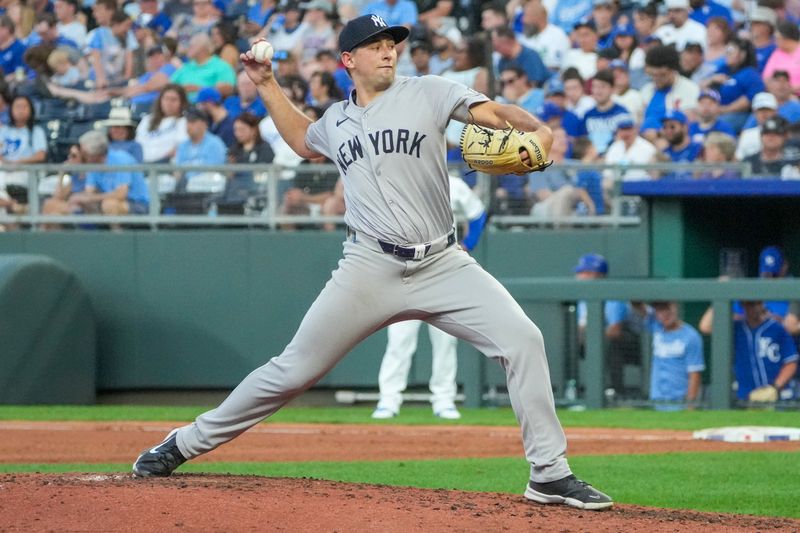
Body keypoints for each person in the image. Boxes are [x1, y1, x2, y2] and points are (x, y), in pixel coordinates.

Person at [132, 13, 612, 511]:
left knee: (523, 340)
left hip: (444, 262)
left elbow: (493, 114)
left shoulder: (430, 90)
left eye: (392, 43)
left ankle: (550, 474)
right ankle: (185, 443)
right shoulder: (337, 121)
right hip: (368, 266)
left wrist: (537, 129)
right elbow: (302, 140)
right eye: (375, 45)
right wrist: (268, 83)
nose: (388, 51)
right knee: (292, 371)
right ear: (348, 60)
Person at [371, 174, 487, 420]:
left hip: (443, 269)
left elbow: (477, 214)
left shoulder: (453, 184)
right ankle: (388, 400)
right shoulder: (400, 179)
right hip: (405, 270)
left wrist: (469, 243)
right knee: (400, 339)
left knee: (446, 340)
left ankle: (444, 400)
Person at [574, 253, 643, 398]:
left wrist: (590, 335)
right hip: (602, 338)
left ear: (596, 274)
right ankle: (577, 392)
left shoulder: (612, 295)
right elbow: (581, 329)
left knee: (611, 344)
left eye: (583, 273)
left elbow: (615, 331)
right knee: (576, 342)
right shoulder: (583, 298)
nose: (578, 277)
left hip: (638, 343)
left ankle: (617, 392)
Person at [63, 130, 149, 219]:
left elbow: (121, 194)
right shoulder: (93, 165)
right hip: (106, 201)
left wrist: (90, 198)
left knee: (109, 204)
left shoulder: (121, 159)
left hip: (136, 203)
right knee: (65, 205)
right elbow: (89, 191)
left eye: (85, 154)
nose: (82, 156)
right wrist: (79, 198)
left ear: (94, 154)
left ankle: (116, 233)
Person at [733, 301, 798, 403]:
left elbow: (791, 362)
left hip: (779, 396)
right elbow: (706, 327)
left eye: (759, 303)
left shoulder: (777, 328)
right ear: (743, 306)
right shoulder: (735, 328)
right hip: (746, 396)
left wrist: (774, 387)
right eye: (751, 304)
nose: (755, 308)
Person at [644, 301, 705, 410]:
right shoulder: (656, 327)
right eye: (660, 310)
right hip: (657, 400)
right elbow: (637, 306)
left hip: (679, 402)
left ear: (675, 307)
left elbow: (695, 373)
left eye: (668, 308)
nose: (665, 314)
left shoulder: (691, 336)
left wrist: (690, 405)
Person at [135, 84, 189, 163]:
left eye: (174, 100)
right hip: (141, 164)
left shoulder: (184, 122)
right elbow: (138, 143)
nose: (169, 103)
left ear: (182, 103)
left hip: (166, 166)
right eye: (166, 99)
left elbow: (181, 147)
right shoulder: (147, 120)